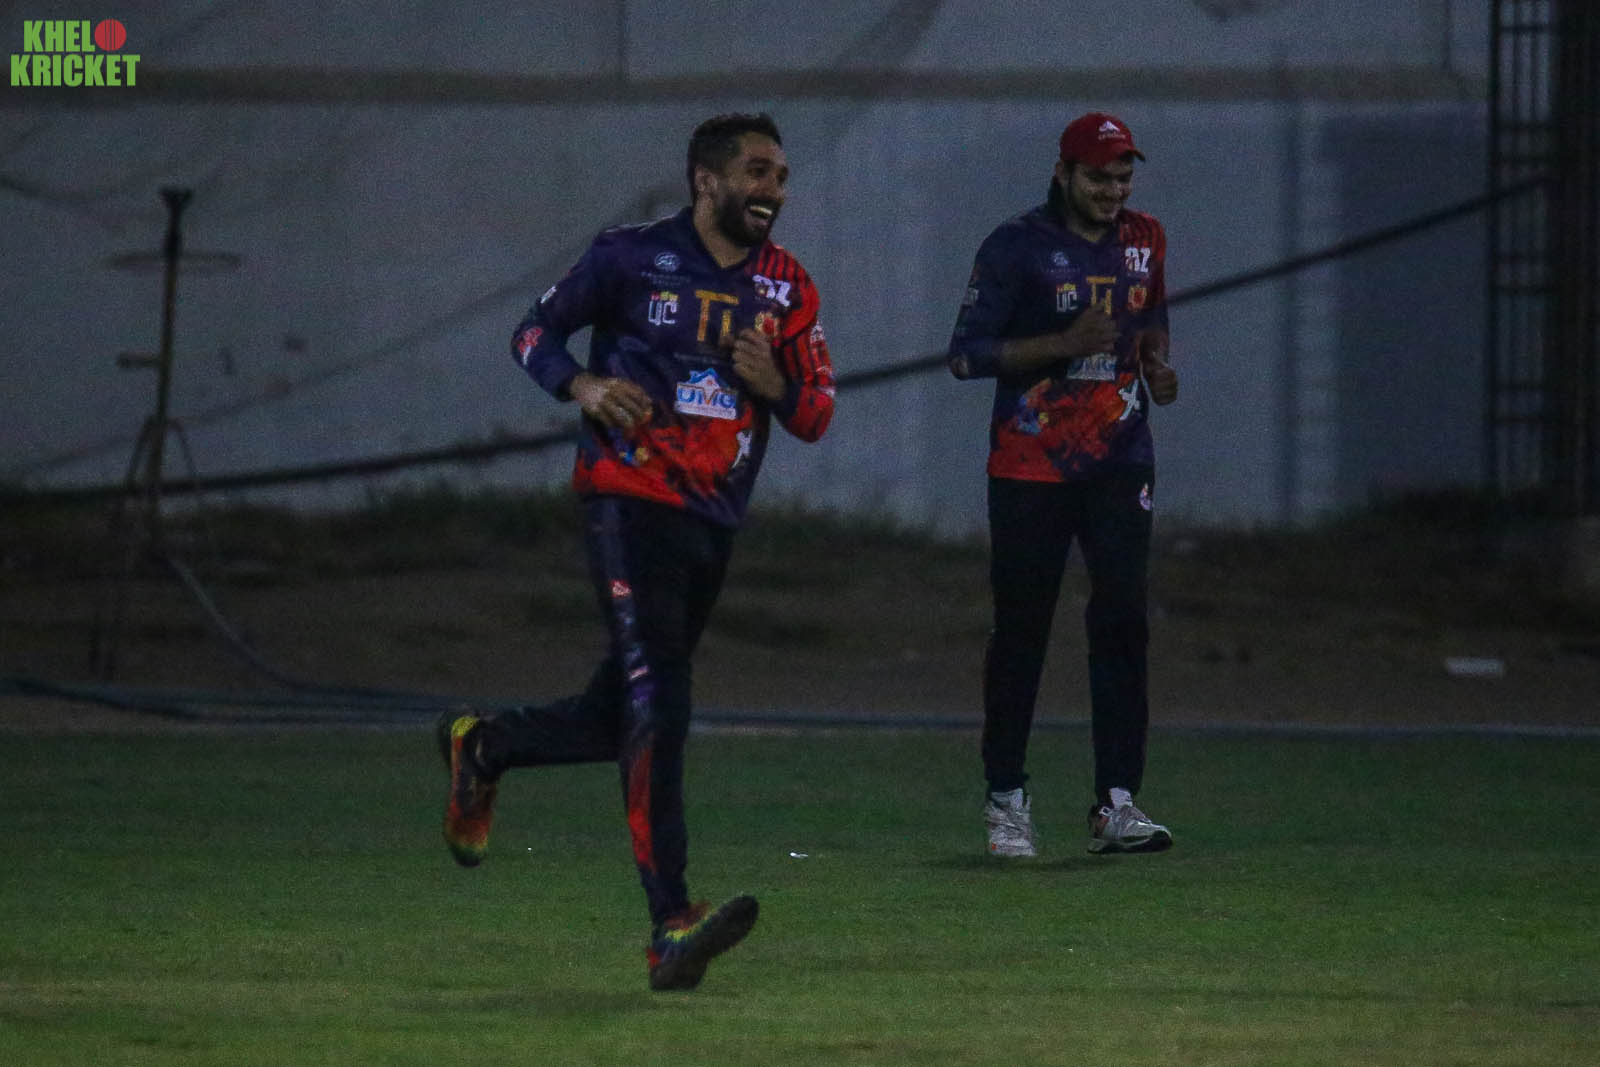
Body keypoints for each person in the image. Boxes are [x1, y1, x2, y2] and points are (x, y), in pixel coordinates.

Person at [437, 112, 835, 991]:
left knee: (618, 713)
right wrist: (581, 383)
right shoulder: (628, 257)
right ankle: (671, 921)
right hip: (627, 498)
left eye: (780, 176)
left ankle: (485, 747)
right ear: (706, 181)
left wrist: (773, 381)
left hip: (712, 519)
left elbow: (814, 414)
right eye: (756, 172)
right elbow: (532, 333)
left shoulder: (788, 287)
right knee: (662, 697)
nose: (773, 190)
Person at [947, 112, 1179, 858]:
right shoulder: (1015, 246)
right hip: (1031, 462)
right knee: (1022, 628)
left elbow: (1151, 318)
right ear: (1064, 173)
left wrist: (1157, 366)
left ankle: (1118, 802)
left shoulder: (1145, 239)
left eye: (1123, 177)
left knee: (1123, 619)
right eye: (1098, 177)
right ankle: (1006, 798)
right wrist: (1062, 344)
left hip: (1120, 456)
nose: (1113, 191)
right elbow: (966, 355)